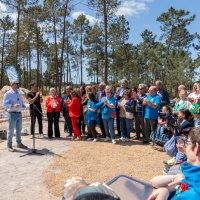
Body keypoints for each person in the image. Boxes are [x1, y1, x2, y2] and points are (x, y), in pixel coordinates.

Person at [148, 127, 200, 200]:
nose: (186, 147)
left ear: (196, 148)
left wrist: (162, 196)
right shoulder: (193, 178)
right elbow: (153, 182)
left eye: (188, 143)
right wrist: (173, 182)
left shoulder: (193, 195)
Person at [3, 80, 28, 152]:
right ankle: (9, 145)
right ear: (12, 85)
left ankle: (19, 143)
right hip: (12, 114)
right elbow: (5, 104)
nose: (18, 85)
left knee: (19, 130)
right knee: (11, 130)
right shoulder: (8, 94)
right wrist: (13, 105)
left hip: (19, 114)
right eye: (16, 84)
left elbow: (21, 102)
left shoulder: (18, 93)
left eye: (18, 84)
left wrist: (25, 105)